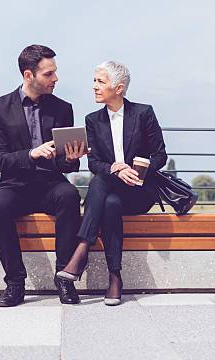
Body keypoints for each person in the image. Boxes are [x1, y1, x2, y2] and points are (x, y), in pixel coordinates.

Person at [56, 61, 167, 305]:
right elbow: (94, 162)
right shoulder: (93, 120)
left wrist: (139, 169)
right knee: (109, 200)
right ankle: (115, 277)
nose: (94, 87)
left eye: (100, 82)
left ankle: (81, 250)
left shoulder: (143, 113)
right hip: (110, 190)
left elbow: (160, 155)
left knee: (100, 185)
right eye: (94, 81)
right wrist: (114, 168)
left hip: (139, 191)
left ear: (119, 88)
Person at [0, 44, 87, 307]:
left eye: (55, 72)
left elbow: (66, 166)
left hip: (50, 183)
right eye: (49, 74)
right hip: (15, 184)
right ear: (29, 75)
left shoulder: (62, 108)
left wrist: (71, 158)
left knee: (69, 195)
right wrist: (32, 154)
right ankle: (15, 283)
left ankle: (64, 278)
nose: (55, 79)